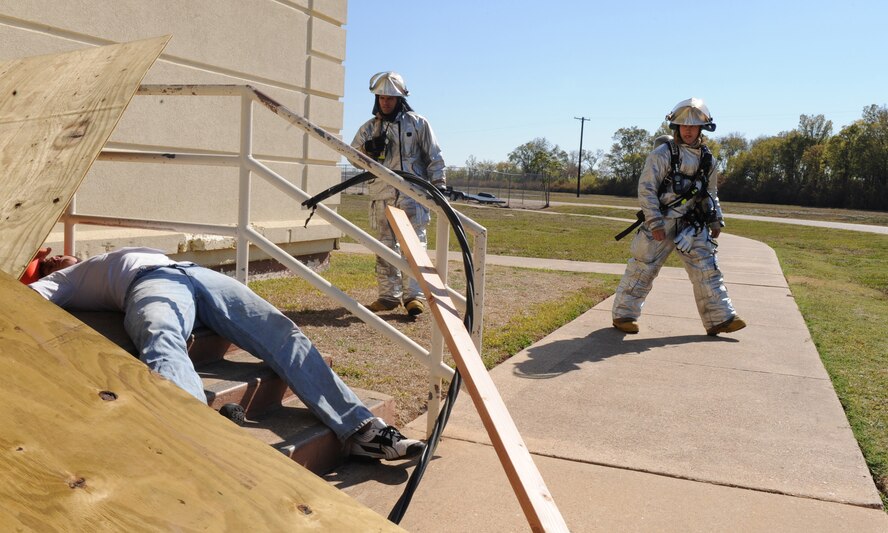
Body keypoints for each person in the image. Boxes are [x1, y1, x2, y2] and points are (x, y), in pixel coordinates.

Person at [29, 247, 423, 461]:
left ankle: (362, 431)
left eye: (63, 255)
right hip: (148, 284)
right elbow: (24, 299)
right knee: (162, 337)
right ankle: (200, 437)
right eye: (55, 257)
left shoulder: (101, 256)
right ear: (49, 267)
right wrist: (40, 273)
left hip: (197, 273)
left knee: (281, 331)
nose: (66, 254)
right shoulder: (66, 279)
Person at [612, 98, 746, 337]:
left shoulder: (708, 161)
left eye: (693, 126)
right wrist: (654, 222)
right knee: (643, 269)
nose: (688, 129)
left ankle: (721, 318)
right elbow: (647, 189)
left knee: (707, 269)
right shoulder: (662, 154)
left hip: (691, 225)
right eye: (683, 125)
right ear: (675, 127)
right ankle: (624, 315)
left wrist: (715, 219)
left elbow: (711, 192)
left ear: (702, 129)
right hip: (661, 222)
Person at [351, 71, 446, 317]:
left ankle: (413, 297)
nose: (385, 102)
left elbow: (434, 157)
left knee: (414, 248)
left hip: (412, 196)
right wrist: (368, 151)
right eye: (382, 97)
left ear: (400, 98)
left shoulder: (418, 124)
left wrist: (439, 186)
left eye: (391, 98)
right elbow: (353, 158)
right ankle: (387, 297)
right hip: (382, 196)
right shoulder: (370, 128)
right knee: (384, 248)